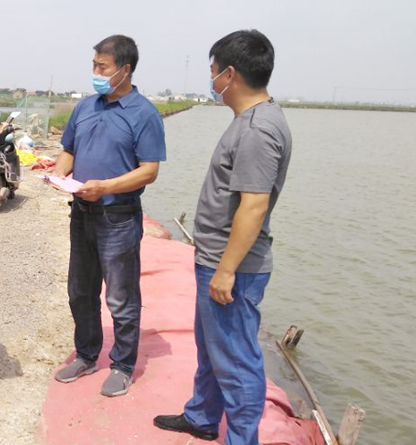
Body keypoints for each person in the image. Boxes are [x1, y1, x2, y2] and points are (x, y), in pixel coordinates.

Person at [153, 30, 292, 445]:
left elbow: (254, 206)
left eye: (213, 71)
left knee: (237, 362)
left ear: (229, 74)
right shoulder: (251, 120)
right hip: (216, 258)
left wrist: (227, 270)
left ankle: (242, 439)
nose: (211, 80)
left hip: (233, 267)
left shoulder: (258, 129)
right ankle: (202, 416)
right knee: (213, 350)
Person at [52, 35, 166, 397]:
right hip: (81, 213)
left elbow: (149, 171)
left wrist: (106, 186)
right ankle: (86, 355)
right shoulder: (85, 107)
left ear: (125, 69)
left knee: (121, 296)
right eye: (94, 65)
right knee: (80, 291)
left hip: (118, 218)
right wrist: (58, 174)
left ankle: (123, 365)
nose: (96, 73)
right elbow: (69, 150)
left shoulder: (144, 114)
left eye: (103, 67)